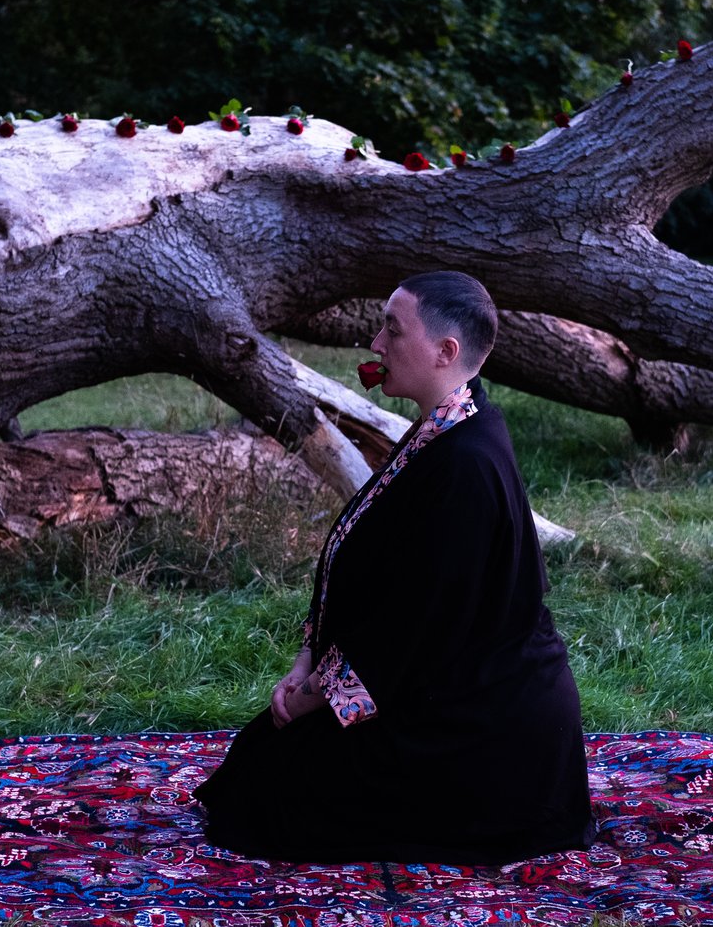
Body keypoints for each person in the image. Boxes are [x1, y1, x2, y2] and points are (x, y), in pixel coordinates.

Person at [192, 270, 593, 864]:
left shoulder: (465, 466)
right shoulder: (452, 424)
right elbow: (377, 570)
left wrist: (313, 699)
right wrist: (309, 660)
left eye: (391, 330)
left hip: (483, 727)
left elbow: (413, 629)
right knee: (257, 761)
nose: (376, 345)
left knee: (265, 800)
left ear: (445, 351)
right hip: (433, 685)